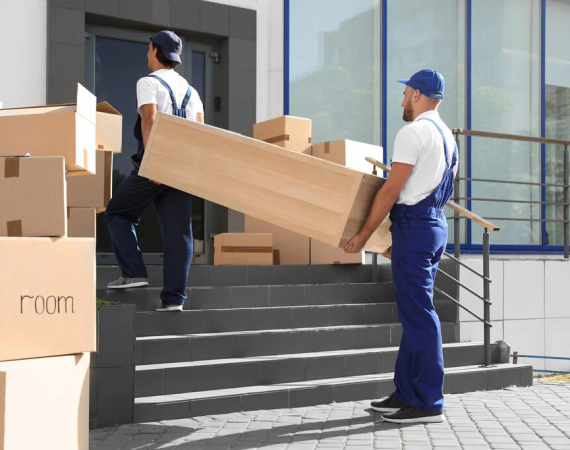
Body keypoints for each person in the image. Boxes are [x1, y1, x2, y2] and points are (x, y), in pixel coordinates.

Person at [344, 69, 457, 424]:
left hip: (417, 227)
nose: (402, 99)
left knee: (420, 316)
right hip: (432, 225)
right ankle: (407, 392)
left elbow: (392, 190)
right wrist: (401, 235)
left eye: (406, 92)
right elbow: (428, 190)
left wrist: (364, 235)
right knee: (414, 314)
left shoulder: (413, 131)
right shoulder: (447, 136)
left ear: (418, 95)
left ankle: (427, 403)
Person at [104, 30, 204, 312]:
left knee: (117, 212)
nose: (147, 53)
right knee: (179, 234)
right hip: (183, 169)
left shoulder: (148, 83)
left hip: (157, 165)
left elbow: (148, 120)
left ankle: (134, 272)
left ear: (156, 51)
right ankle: (173, 300)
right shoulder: (192, 92)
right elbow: (201, 132)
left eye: (149, 48)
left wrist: (152, 161)